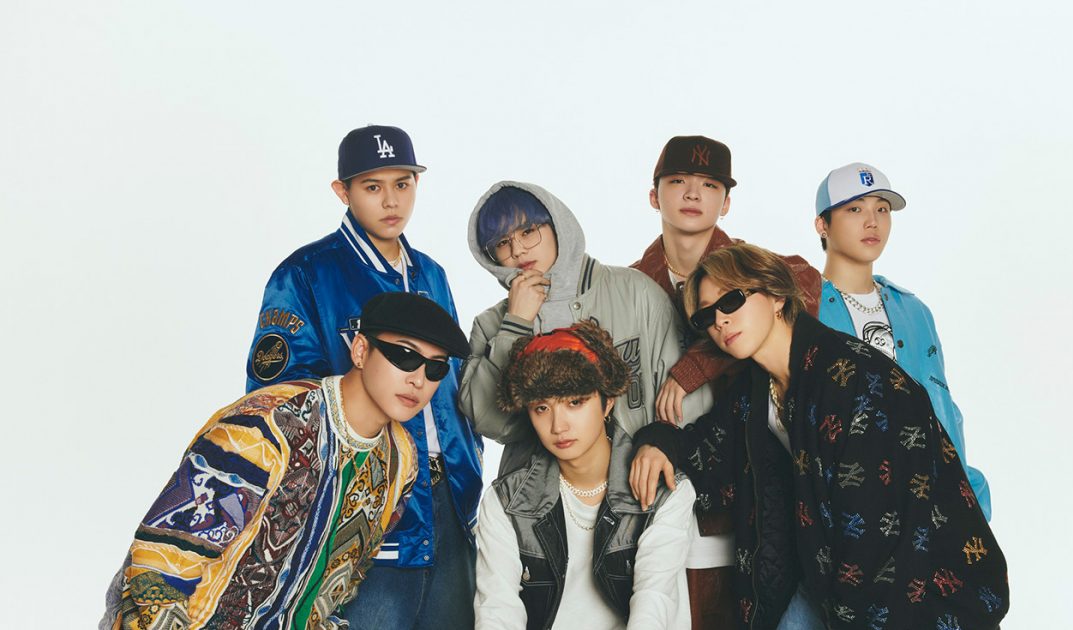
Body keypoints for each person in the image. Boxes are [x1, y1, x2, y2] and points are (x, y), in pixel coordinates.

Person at [630, 245, 1008, 629]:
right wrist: (657, 442)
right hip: (827, 578)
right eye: (706, 316)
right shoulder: (756, 388)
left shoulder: (853, 381)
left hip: (921, 591)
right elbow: (709, 448)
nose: (720, 321)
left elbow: (878, 540)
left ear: (777, 297)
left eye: (731, 300)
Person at [101, 293, 471, 629]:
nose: (419, 379)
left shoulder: (400, 460)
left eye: (435, 368)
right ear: (360, 351)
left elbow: (342, 582)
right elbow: (159, 567)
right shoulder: (265, 428)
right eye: (405, 356)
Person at [245, 125, 482, 629]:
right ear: (343, 191)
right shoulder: (306, 274)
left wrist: (470, 463)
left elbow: (452, 382)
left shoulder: (432, 274)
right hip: (365, 505)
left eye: (403, 183)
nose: (391, 201)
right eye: (373, 186)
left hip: (450, 500)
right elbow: (279, 403)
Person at [631, 135, 822, 629]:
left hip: (750, 477)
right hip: (660, 477)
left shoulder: (753, 269)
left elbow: (804, 281)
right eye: (678, 181)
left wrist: (696, 365)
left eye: (710, 184)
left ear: (727, 202)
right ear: (654, 195)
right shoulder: (632, 284)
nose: (693, 193)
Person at [460, 181, 710, 474]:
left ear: (557, 226)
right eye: (502, 243)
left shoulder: (635, 291)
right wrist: (515, 325)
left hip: (643, 486)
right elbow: (490, 422)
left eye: (528, 231)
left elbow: (691, 403)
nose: (517, 250)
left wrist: (662, 445)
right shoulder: (491, 324)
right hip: (538, 495)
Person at [474, 322, 696, 629]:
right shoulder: (506, 502)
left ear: (608, 402)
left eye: (575, 402)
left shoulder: (665, 492)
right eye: (541, 408)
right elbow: (497, 610)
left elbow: (654, 600)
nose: (558, 426)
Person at [813, 162, 991, 520]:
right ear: (822, 225)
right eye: (855, 209)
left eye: (882, 209)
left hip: (924, 503)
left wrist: (967, 499)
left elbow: (942, 407)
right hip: (846, 506)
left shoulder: (914, 310)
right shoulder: (804, 308)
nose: (872, 222)